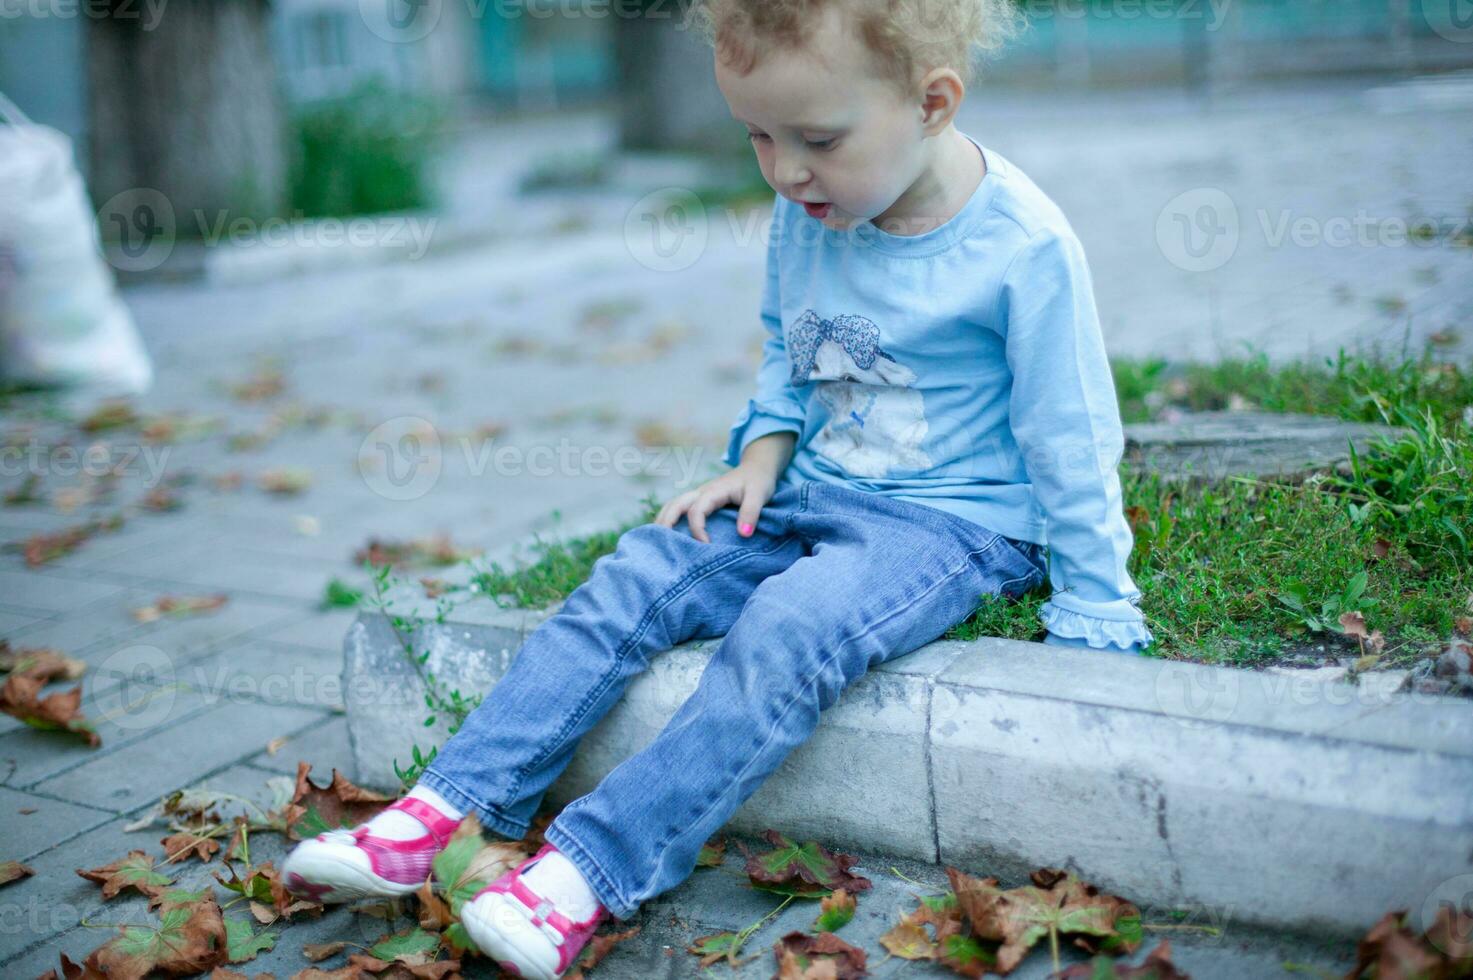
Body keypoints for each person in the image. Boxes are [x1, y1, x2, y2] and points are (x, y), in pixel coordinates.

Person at [282, 0, 1154, 974]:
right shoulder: (812, 207)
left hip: (951, 524)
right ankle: (447, 806)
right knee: (646, 564)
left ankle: (585, 874)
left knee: (789, 624)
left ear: (934, 102)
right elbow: (792, 346)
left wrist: (1097, 603)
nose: (784, 171)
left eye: (816, 139)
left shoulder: (1024, 247)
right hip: (812, 487)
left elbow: (1072, 436)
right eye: (757, 136)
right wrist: (762, 456)